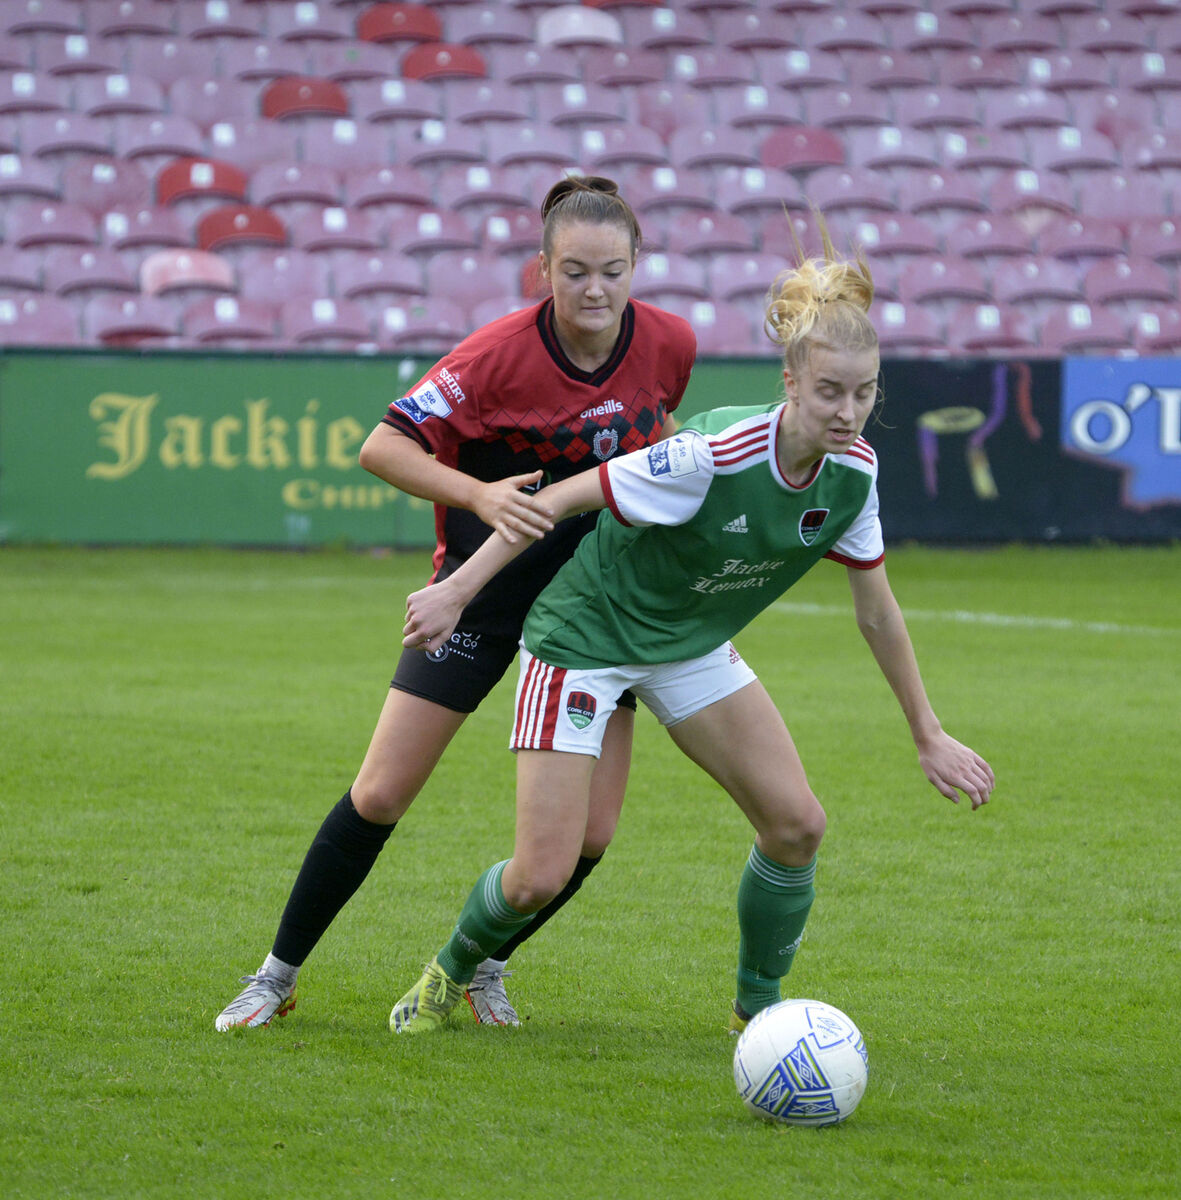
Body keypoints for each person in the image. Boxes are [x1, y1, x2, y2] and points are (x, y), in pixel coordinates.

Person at [391, 218, 995, 1035]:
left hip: (687, 646)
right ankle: (450, 971)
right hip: (585, 640)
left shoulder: (854, 476)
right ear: (791, 381)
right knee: (539, 875)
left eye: (862, 393)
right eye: (828, 391)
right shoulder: (711, 454)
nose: (847, 411)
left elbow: (877, 611)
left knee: (796, 825)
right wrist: (457, 590)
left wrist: (927, 732)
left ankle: (761, 1014)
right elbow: (559, 499)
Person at [215, 175, 696, 1031]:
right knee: (380, 794)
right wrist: (475, 500)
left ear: (638, 267)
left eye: (613, 271)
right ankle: (274, 977)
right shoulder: (492, 357)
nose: (595, 290)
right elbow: (380, 445)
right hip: (473, 604)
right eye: (575, 270)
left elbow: (643, 463)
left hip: (593, 618)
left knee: (591, 836)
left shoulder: (669, 344)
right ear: (542, 268)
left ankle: (483, 969)